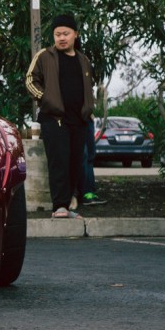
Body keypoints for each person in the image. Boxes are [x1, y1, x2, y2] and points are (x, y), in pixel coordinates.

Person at [26, 13, 96, 218]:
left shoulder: (84, 60)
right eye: (57, 34)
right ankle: (60, 206)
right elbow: (30, 80)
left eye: (65, 33)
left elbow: (88, 88)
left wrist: (88, 110)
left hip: (79, 120)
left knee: (76, 161)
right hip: (53, 119)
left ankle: (70, 197)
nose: (61, 38)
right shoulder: (45, 56)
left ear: (75, 34)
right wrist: (46, 98)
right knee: (59, 161)